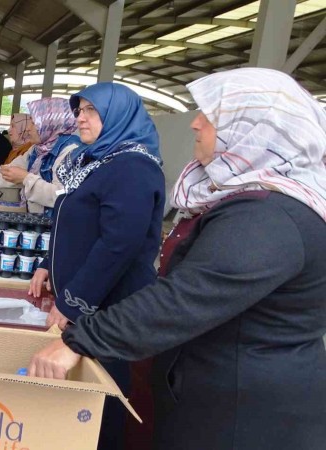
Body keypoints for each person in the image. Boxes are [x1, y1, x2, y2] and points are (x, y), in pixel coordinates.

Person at [29, 68, 326, 450]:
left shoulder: (270, 218)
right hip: (214, 395)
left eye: (210, 116)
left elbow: (184, 297)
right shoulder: (248, 202)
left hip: (243, 416)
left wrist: (81, 339)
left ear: (255, 129)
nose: (195, 124)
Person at [29, 83, 165, 450]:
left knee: (100, 401)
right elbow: (75, 224)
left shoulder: (133, 167)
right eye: (79, 110)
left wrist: (73, 301)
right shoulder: (94, 161)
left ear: (118, 116)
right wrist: (47, 263)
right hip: (88, 302)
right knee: (79, 401)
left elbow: (119, 244)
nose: (80, 118)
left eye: (92, 110)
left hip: (110, 307)